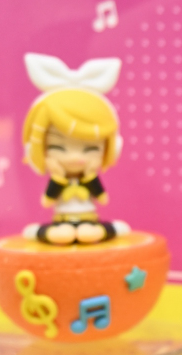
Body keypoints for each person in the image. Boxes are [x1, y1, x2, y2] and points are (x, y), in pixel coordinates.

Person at [21, 53, 127, 246]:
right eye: (58, 147)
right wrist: (58, 177)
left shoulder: (89, 176)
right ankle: (46, 232)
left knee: (89, 231)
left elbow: (103, 198)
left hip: (89, 218)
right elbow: (47, 201)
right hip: (61, 220)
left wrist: (90, 176)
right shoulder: (58, 177)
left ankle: (103, 230)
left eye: (90, 149)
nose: (75, 157)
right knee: (61, 234)